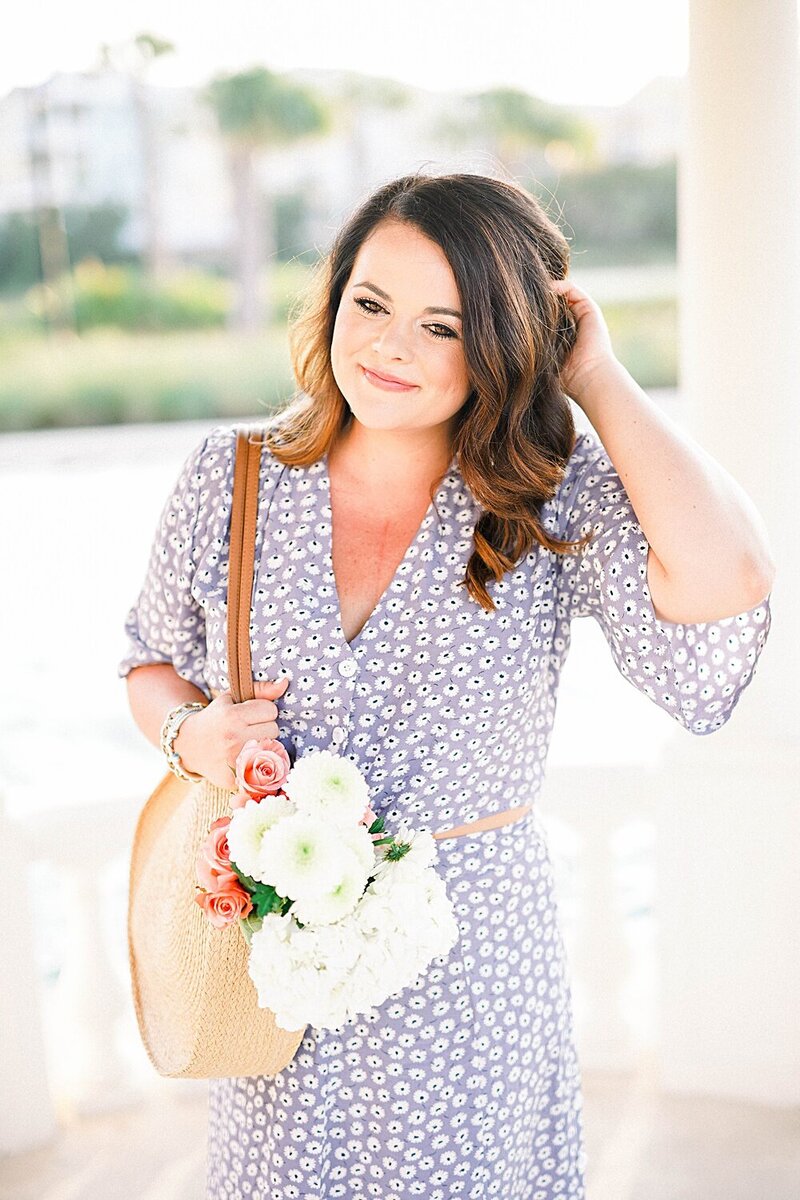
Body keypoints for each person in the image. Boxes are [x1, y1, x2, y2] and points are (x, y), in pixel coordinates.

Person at [119, 171, 775, 1199]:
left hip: (472, 974)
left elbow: (727, 575)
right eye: (370, 304)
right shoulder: (230, 477)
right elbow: (148, 661)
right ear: (333, 297)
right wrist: (194, 738)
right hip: (280, 979)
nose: (388, 347)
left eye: (443, 326)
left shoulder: (542, 498)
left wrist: (595, 379)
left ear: (504, 347)